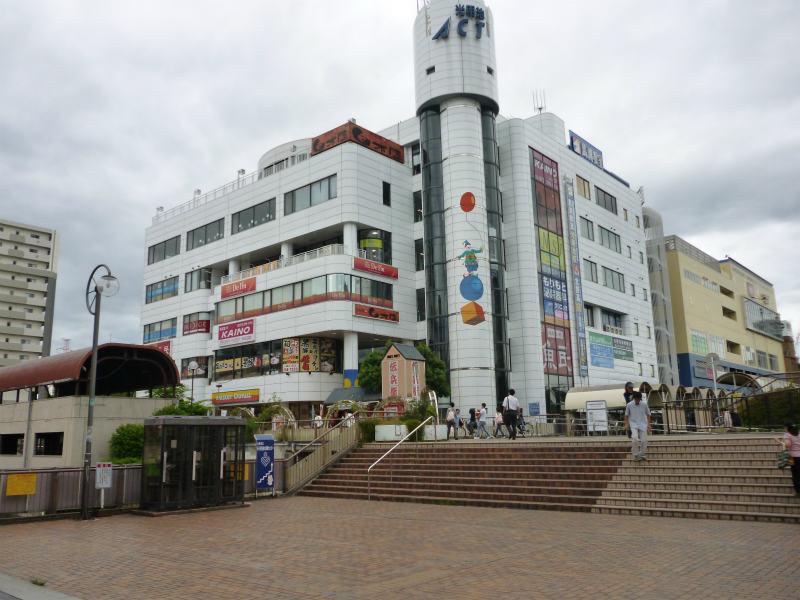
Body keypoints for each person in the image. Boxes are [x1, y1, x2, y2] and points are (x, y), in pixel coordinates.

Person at [624, 391, 651, 461]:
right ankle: (636, 455)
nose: (637, 401)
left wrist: (649, 425)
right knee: (635, 439)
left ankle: (642, 454)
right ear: (634, 398)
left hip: (643, 424)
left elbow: (648, 414)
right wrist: (626, 424)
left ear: (640, 399)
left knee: (644, 440)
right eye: (636, 399)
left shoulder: (644, 404)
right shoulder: (629, 405)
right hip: (633, 424)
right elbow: (626, 415)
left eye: (639, 399)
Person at [781, 423, 800, 496]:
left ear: (787, 428)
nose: (784, 429)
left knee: (796, 474)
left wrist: (781, 442)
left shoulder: (787, 435)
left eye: (784, 427)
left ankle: (798, 491)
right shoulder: (799, 433)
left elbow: (788, 445)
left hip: (794, 457)